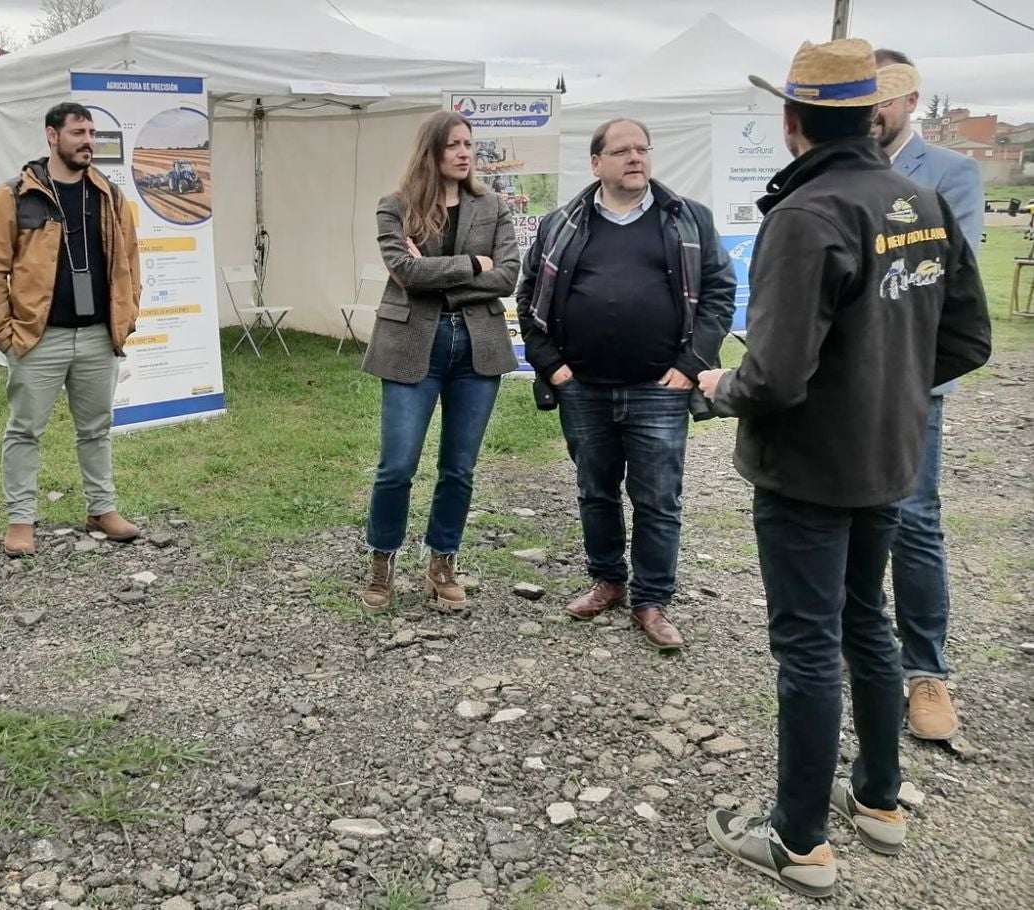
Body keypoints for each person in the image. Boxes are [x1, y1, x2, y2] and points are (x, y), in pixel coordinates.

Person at [696, 39, 990, 897]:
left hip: (811, 469)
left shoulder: (809, 213)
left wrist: (720, 386)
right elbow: (967, 340)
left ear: (790, 121)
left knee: (810, 644)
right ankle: (879, 800)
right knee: (867, 624)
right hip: (889, 456)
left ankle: (798, 839)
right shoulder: (921, 199)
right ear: (872, 114)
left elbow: (777, 375)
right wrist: (888, 385)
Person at [516, 118, 735, 650]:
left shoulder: (687, 218)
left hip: (659, 389)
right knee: (596, 490)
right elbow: (528, 300)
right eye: (621, 151)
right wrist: (554, 367)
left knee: (659, 497)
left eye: (642, 149)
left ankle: (653, 599)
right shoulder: (562, 223)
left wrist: (691, 364)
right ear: (597, 163)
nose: (635, 158)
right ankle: (608, 580)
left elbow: (719, 294)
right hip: (583, 387)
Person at [359, 110, 520, 613]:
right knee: (397, 465)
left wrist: (436, 271)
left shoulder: (492, 206)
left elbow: (510, 276)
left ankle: (442, 561)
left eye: (468, 143)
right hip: (412, 347)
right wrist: (475, 263)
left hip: (477, 348)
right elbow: (405, 272)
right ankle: (382, 558)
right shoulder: (396, 206)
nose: (464, 152)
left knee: (459, 468)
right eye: (453, 144)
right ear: (431, 150)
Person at [873, 48, 984, 742]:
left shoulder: (951, 174)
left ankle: (925, 671)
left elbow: (944, 281)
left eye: (886, 96)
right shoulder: (833, 169)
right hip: (839, 388)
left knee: (912, 520)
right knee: (845, 523)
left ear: (913, 100)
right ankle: (849, 653)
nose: (874, 110)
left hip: (911, 384)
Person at [0, 102, 142, 557]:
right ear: (52, 136)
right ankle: (20, 520)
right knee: (25, 429)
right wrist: (3, 333)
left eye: (91, 133)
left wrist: (125, 317)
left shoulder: (107, 194)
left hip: (96, 337)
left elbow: (129, 260)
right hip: (37, 337)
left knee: (96, 428)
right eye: (78, 133)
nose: (88, 141)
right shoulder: (13, 196)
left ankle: (101, 508)